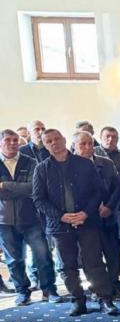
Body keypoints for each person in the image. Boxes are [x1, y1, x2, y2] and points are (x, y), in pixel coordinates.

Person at [33, 128, 118, 316]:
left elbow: (98, 192)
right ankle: (78, 300)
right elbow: (39, 199)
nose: (54, 143)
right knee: (67, 265)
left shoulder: (84, 164)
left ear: (64, 140)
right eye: (49, 141)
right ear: (45, 145)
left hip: (88, 221)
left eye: (57, 139)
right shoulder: (41, 169)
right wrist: (60, 216)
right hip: (59, 225)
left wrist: (85, 213)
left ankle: (104, 299)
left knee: (94, 262)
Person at [0, 129, 60, 305]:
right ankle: (22, 292)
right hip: (4, 221)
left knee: (43, 256)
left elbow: (33, 188)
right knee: (14, 260)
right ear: (0, 143)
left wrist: (4, 186)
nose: (12, 143)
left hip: (31, 218)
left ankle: (49, 290)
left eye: (15, 140)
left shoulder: (31, 161)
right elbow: (24, 189)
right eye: (8, 140)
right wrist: (19, 188)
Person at [74, 132, 120, 298]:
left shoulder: (105, 163)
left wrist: (109, 207)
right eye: (83, 144)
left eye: (90, 143)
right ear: (74, 146)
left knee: (113, 253)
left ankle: (114, 284)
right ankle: (98, 289)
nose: (88, 147)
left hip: (107, 217)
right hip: (85, 220)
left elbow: (117, 188)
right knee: (91, 257)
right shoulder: (70, 165)